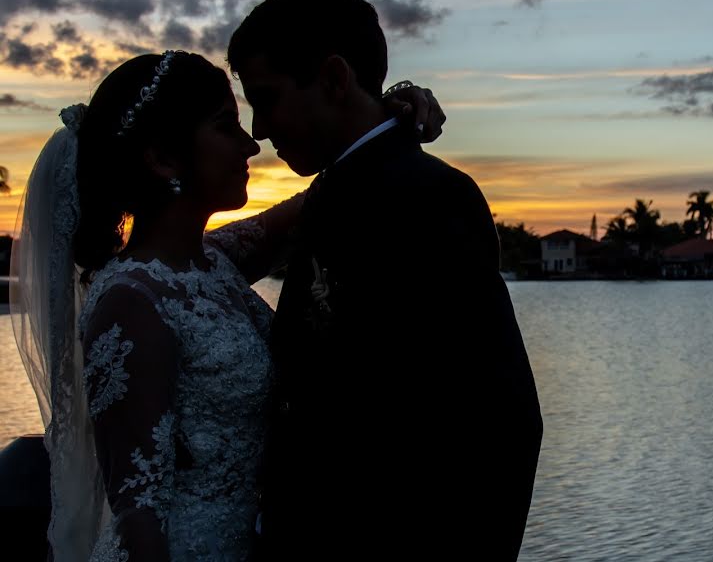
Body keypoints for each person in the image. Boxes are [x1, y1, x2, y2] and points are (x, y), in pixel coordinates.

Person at [10, 50, 444, 561]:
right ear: (163, 158)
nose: (250, 144)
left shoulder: (210, 260)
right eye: (225, 126)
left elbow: (327, 193)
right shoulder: (132, 300)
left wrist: (384, 122)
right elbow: (139, 513)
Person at [227, 0, 544, 560]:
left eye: (266, 99)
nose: (258, 131)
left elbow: (502, 424)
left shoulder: (432, 198)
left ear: (333, 78)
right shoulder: (333, 193)